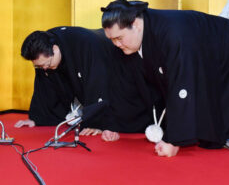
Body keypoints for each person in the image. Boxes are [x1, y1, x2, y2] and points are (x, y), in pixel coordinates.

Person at [100, 0, 229, 157]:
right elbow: (127, 86)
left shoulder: (173, 34)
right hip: (207, 55)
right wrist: (114, 122)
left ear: (135, 24)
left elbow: (182, 84)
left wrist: (174, 140)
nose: (116, 44)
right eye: (112, 40)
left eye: (119, 38)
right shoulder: (136, 39)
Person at [16, 26, 154, 141]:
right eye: (40, 66)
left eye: (47, 64)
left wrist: (95, 122)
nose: (44, 69)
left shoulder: (86, 45)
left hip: (116, 61)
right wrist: (38, 118)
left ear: (55, 49)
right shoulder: (45, 47)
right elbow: (45, 86)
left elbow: (98, 84)